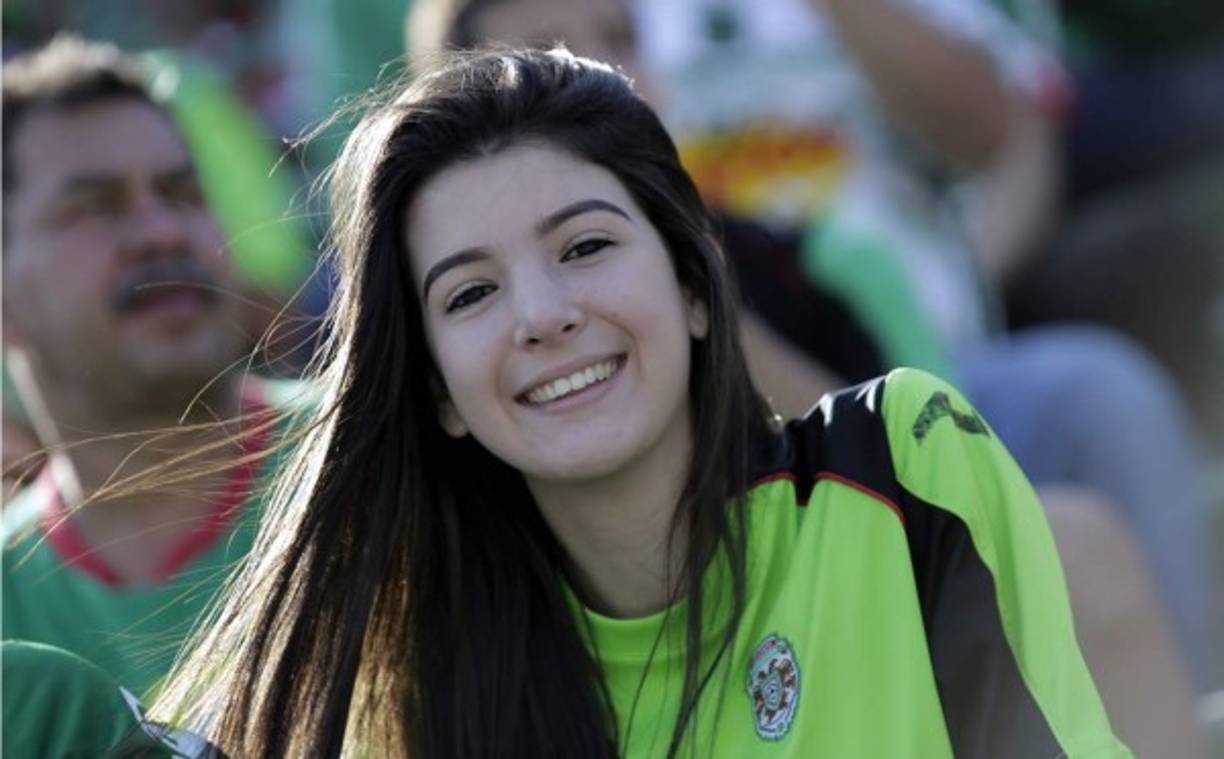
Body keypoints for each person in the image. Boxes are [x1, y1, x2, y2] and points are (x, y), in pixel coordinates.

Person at [149, 47, 1126, 757]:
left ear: (697, 292)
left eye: (585, 247)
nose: (542, 315)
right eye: (471, 294)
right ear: (437, 391)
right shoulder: (415, 698)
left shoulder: (902, 465)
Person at [1, 35, 302, 699]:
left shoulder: (383, 449)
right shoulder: (9, 622)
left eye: (183, 193)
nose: (162, 231)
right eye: (95, 207)